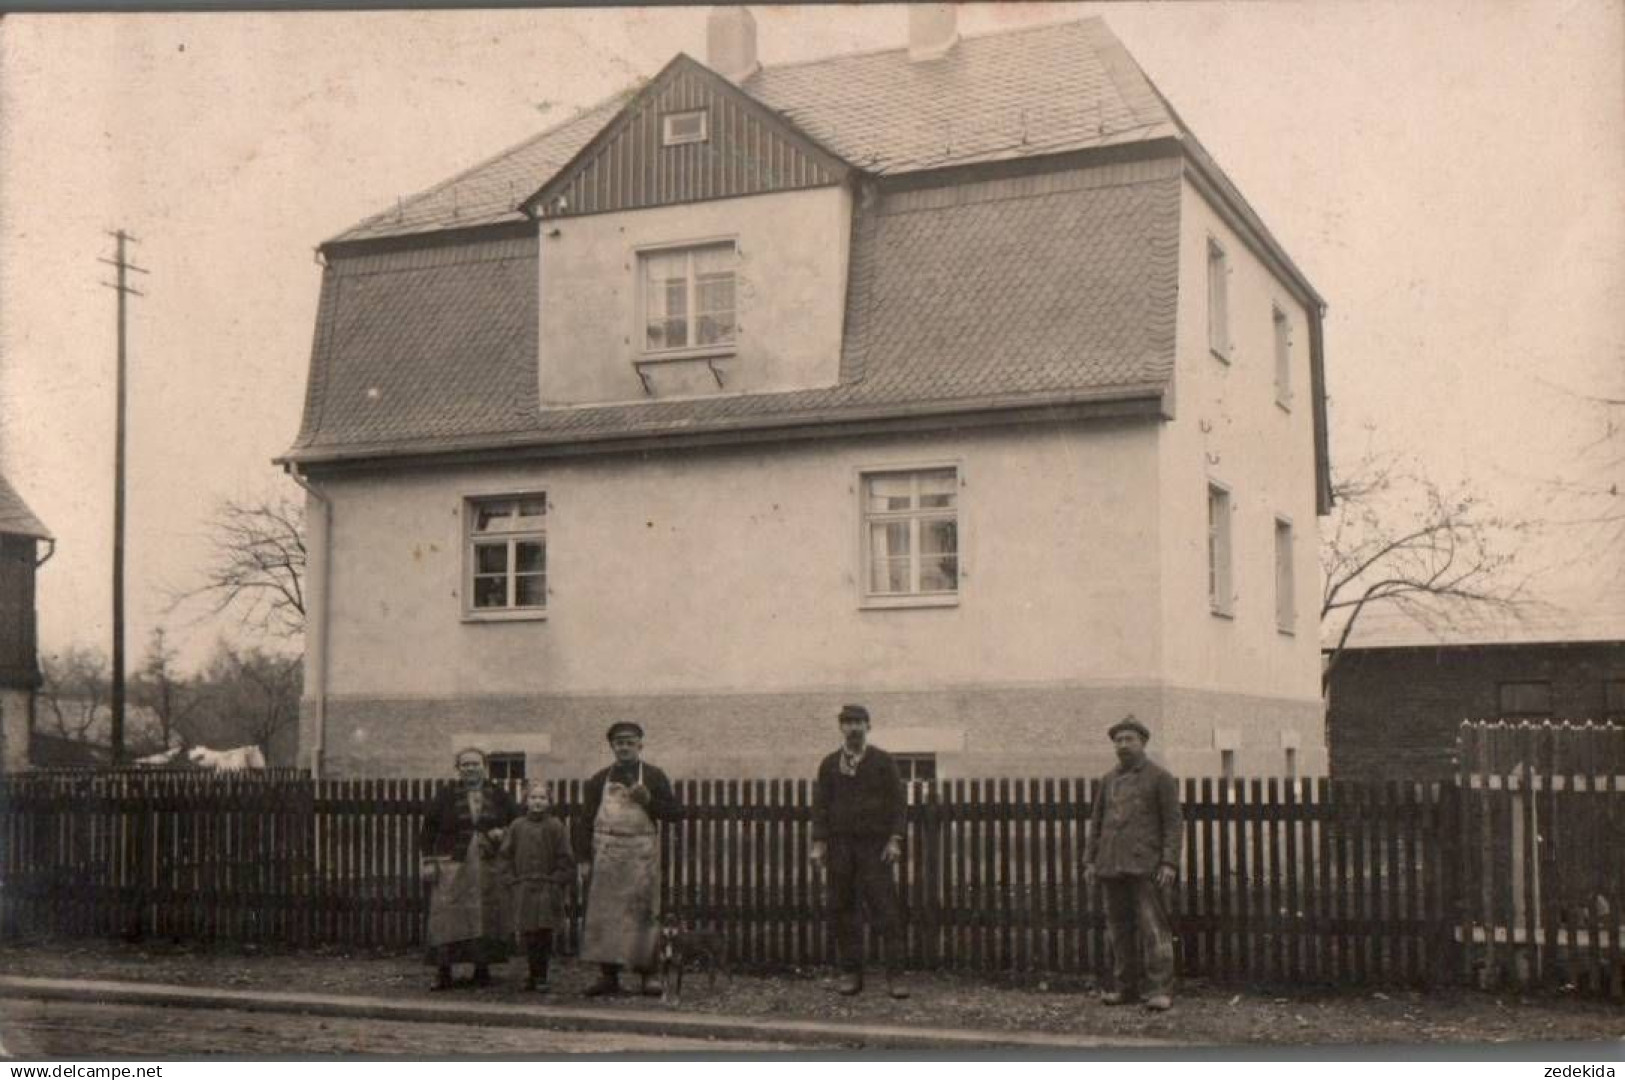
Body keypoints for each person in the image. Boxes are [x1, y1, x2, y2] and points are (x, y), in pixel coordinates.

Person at [1082, 715, 1183, 1011]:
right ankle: (1124, 988)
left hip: (1146, 866)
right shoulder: (1108, 780)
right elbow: (1097, 822)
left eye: (1130, 739)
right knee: (1118, 930)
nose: (1123, 745)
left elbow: (1174, 824)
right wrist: (1090, 861)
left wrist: (1169, 862)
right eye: (1118, 740)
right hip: (1110, 864)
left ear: (1143, 743)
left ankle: (1159, 990)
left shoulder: (1160, 778)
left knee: (1154, 929)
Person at [574, 721, 682, 997]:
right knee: (604, 916)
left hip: (640, 854)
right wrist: (584, 859)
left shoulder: (655, 776)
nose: (624, 747)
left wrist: (648, 800)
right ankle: (609, 976)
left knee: (643, 913)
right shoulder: (599, 780)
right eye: (618, 742)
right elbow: (584, 821)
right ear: (612, 746)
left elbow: (674, 813)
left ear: (640, 745)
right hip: (607, 853)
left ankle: (648, 975)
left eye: (629, 742)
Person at [810, 703, 909, 998]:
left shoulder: (882, 761)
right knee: (843, 909)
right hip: (841, 848)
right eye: (848, 723)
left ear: (868, 726)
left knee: (885, 910)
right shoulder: (829, 764)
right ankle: (851, 973)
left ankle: (896, 976)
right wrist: (819, 842)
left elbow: (898, 803)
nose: (853, 728)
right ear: (841, 728)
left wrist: (895, 839)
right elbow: (821, 806)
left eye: (859, 722)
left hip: (874, 848)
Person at [419, 747, 518, 990]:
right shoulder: (445, 795)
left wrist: (502, 833)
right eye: (465, 765)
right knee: (447, 916)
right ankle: (444, 973)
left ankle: (481, 970)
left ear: (484, 767)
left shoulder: (498, 794)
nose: (470, 769)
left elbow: (516, 824)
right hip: (452, 863)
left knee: (483, 915)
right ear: (458, 769)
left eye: (475, 764)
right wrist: (429, 862)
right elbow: (428, 831)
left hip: (487, 863)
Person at [497, 780, 575, 992]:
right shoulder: (517, 826)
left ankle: (541, 976)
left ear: (549, 802)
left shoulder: (556, 826)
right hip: (523, 887)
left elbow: (565, 857)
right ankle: (532, 975)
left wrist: (557, 879)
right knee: (528, 933)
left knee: (544, 933)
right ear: (526, 801)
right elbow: (505, 856)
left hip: (547, 888)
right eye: (533, 798)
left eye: (542, 798)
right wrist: (510, 879)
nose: (537, 802)